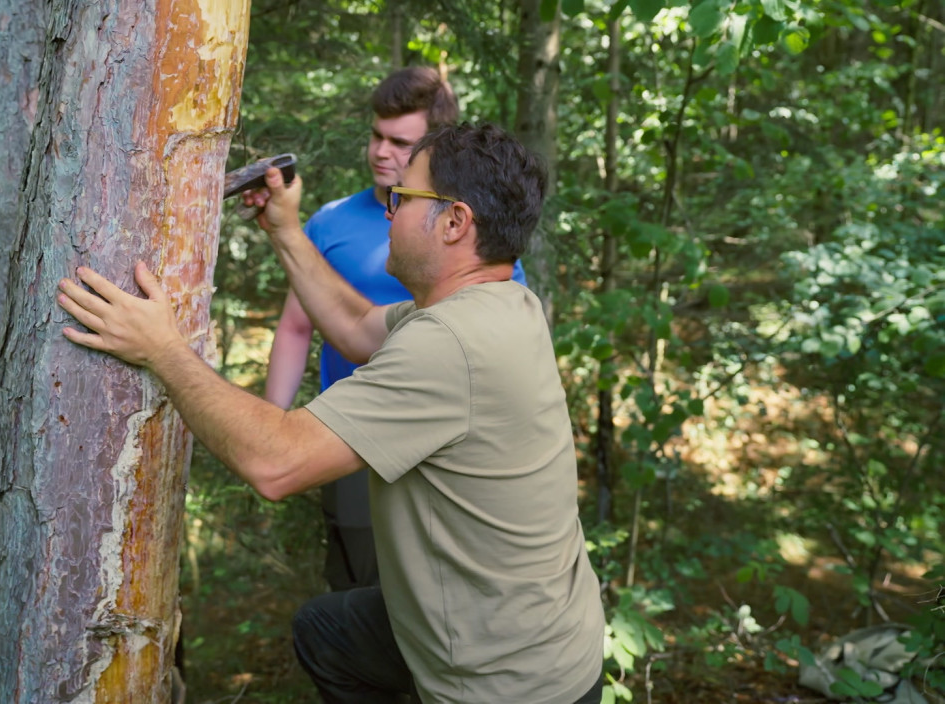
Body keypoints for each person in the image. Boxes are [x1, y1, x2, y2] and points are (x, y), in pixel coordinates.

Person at [55, 122, 605, 704]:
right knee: (326, 631)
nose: (389, 212)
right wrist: (287, 232)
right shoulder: (501, 304)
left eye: (403, 198)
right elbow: (358, 327)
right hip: (541, 633)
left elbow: (276, 463)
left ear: (454, 222)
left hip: (512, 684)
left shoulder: (452, 343)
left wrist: (162, 349)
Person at [266, 66, 528, 592]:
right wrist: (273, 422)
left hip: (443, 449)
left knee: (429, 586)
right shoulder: (331, 220)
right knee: (354, 591)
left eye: (401, 143)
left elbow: (495, 351)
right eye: (377, 136)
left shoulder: (473, 239)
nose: (382, 152)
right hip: (346, 437)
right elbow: (300, 327)